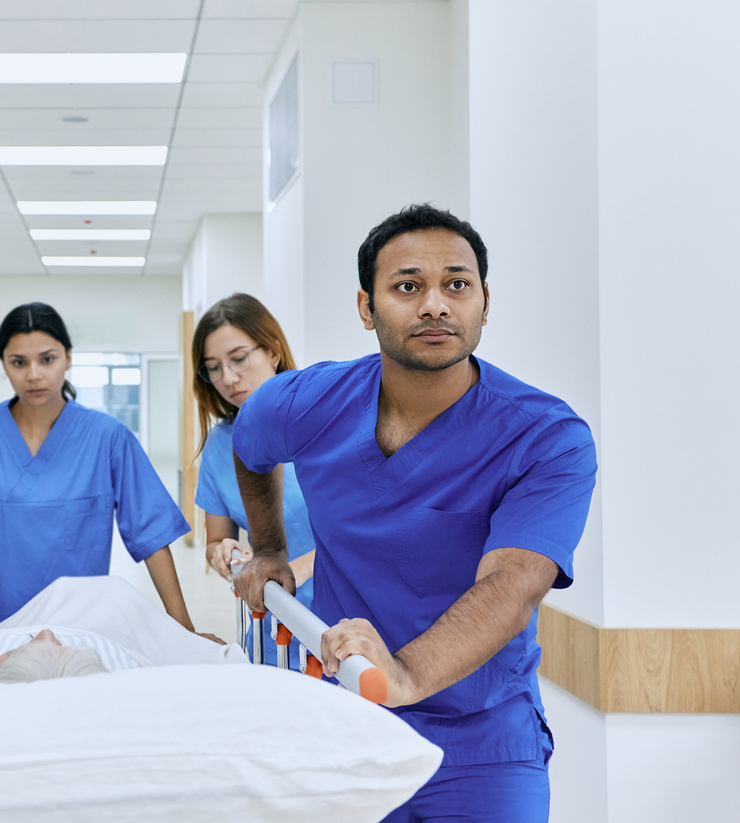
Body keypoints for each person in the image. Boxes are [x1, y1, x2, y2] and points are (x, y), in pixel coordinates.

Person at [230, 204, 597, 823]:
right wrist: (268, 545)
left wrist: (405, 675)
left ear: (484, 300)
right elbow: (250, 446)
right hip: (346, 715)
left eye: (457, 284)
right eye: (407, 286)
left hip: (482, 735)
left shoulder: (546, 438)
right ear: (366, 308)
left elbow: (514, 582)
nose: (435, 304)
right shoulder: (309, 401)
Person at [0, 303, 199, 653]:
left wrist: (184, 629)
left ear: (68, 358)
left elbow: (153, 535)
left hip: (80, 626)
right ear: (3, 364)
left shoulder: (107, 438)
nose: (33, 374)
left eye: (47, 359)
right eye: (18, 362)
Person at [193, 293, 316, 668]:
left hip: (348, 617)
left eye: (239, 359)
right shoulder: (218, 445)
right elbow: (215, 538)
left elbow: (370, 528)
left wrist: (292, 569)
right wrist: (223, 552)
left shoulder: (321, 421)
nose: (228, 378)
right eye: (213, 367)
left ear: (273, 353)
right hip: (272, 625)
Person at [0, 576, 245, 687]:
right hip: (113, 617)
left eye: (22, 649)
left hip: (24, 612)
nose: (48, 633)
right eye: (67, 648)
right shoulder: (130, 681)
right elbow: (176, 667)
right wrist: (181, 638)